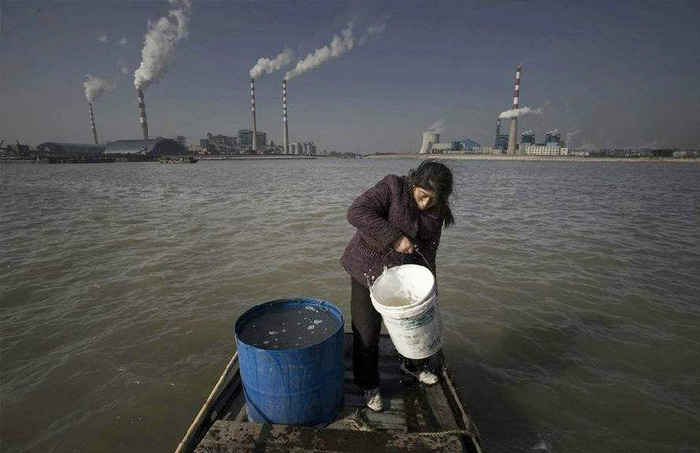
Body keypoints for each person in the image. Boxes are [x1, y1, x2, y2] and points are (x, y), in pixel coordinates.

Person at [340, 160, 455, 411]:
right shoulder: (392, 187)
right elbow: (356, 212)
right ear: (415, 183)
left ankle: (413, 365)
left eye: (432, 200)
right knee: (367, 333)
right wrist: (395, 237)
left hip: (403, 276)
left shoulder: (438, 212)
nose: (425, 204)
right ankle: (369, 385)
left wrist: (430, 290)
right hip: (366, 271)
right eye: (422, 195)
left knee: (415, 325)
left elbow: (429, 253)